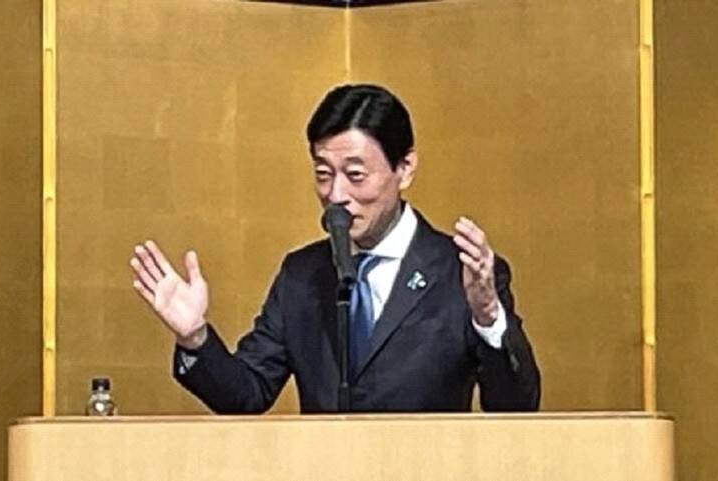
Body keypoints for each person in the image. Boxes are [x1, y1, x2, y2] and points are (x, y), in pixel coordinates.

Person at [130, 84, 540, 413]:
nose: (336, 195)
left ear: (405, 169)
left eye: (355, 175)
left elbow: (516, 407)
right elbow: (247, 394)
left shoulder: (459, 272)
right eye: (323, 174)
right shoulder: (302, 274)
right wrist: (196, 337)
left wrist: (488, 317)